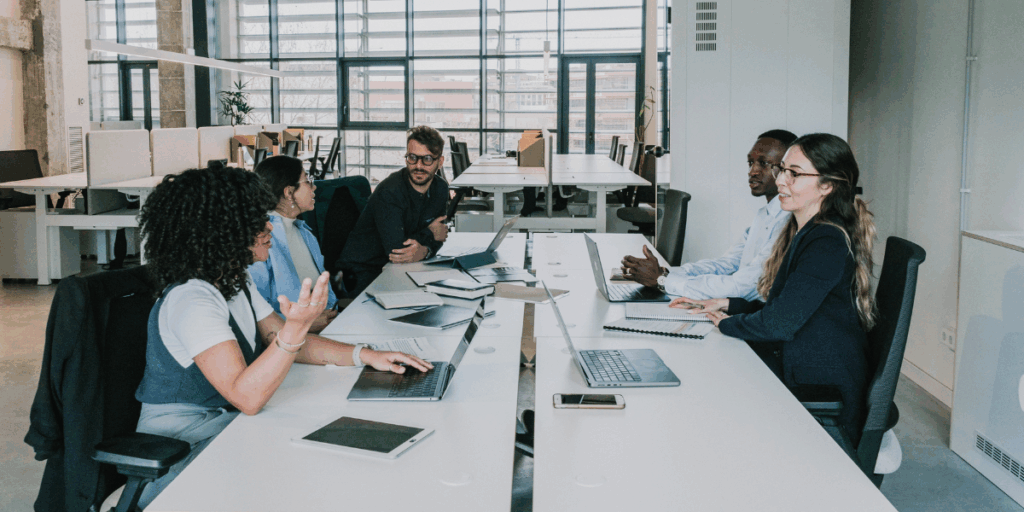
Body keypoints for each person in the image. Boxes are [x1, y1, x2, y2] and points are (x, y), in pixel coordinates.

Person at [133, 167, 432, 508]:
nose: (269, 227)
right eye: (254, 221)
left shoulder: (231, 281)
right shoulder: (192, 300)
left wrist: (364, 355)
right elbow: (246, 396)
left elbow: (281, 336)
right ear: (221, 229)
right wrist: (296, 328)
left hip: (222, 426)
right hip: (182, 449)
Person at [672, 133, 876, 445]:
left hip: (818, 377)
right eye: (782, 170)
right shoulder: (805, 232)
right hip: (802, 358)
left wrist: (727, 323)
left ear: (828, 185)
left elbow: (779, 323)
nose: (781, 181)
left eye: (795, 173)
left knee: (709, 380)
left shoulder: (826, 241)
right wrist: (728, 304)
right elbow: (783, 308)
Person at [620, 129, 797, 300]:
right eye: (751, 163)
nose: (752, 172)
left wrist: (663, 280)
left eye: (764, 164)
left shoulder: (788, 222)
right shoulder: (764, 215)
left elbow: (746, 287)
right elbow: (726, 265)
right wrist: (665, 273)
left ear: (787, 169)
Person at [337, 125, 450, 296]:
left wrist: (425, 250)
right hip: (362, 272)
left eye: (427, 159)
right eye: (412, 157)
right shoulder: (390, 191)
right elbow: (397, 252)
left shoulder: (441, 189)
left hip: (400, 270)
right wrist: (429, 234)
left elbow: (439, 236)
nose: (418, 166)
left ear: (440, 162)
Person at [250, 155, 338, 333]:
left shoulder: (305, 233)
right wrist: (303, 323)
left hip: (328, 328)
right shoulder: (261, 241)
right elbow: (255, 312)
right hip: (291, 338)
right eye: (308, 182)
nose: (314, 187)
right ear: (288, 192)